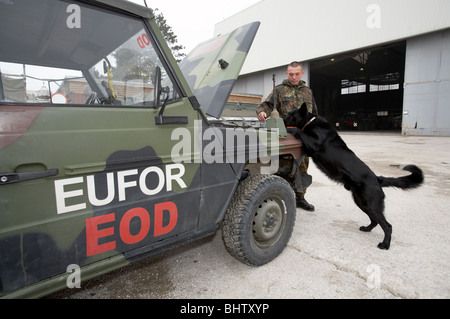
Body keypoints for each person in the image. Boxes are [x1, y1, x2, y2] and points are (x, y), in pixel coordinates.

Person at [256, 61, 317, 211]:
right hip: (286, 135)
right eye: (291, 74)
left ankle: (300, 197)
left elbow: (314, 113)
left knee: (303, 166)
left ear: (302, 73)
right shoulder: (279, 90)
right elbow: (266, 105)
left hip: (304, 136)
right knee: (284, 166)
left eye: (297, 74)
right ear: (287, 74)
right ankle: (281, 196)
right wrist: (262, 112)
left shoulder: (308, 92)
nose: (294, 77)